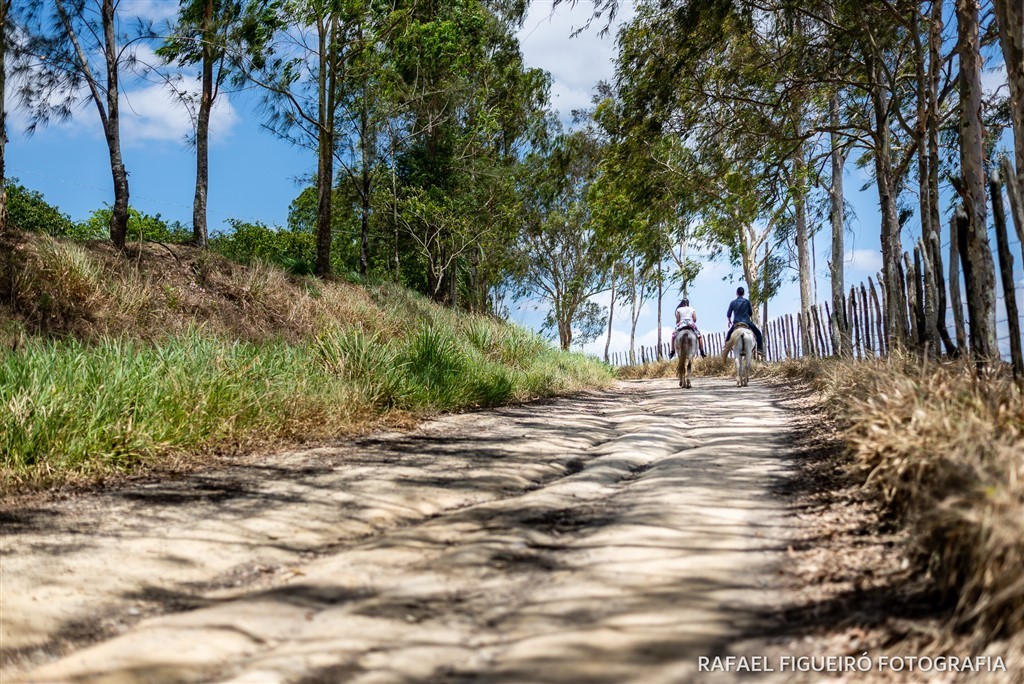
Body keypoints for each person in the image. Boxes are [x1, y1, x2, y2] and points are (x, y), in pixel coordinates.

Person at [724, 286, 764, 356]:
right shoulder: (747, 302)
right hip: (746, 322)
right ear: (743, 293)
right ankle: (759, 349)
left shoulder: (732, 302)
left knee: (729, 334)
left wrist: (729, 321)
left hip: (736, 323)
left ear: (736, 293)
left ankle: (726, 349)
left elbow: (728, 314)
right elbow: (750, 313)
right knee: (758, 333)